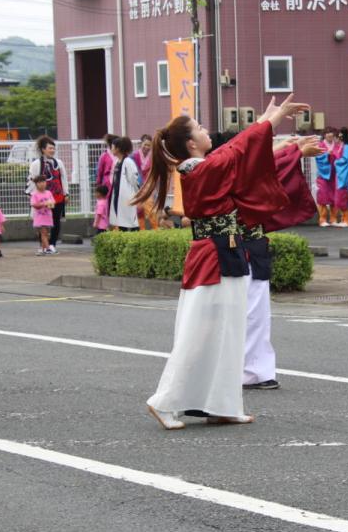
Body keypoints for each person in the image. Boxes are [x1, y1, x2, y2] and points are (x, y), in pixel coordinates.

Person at [137, 95, 308, 430]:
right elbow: (237, 152)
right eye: (200, 128)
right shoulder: (197, 168)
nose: (206, 131)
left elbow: (241, 155)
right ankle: (164, 401)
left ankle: (222, 403)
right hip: (212, 256)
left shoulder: (205, 165)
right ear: (191, 142)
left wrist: (267, 122)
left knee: (229, 331)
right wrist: (268, 123)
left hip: (225, 252)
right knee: (200, 332)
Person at [241, 134, 324, 391]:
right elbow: (255, 169)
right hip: (233, 246)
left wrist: (290, 148)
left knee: (257, 313)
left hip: (251, 243)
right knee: (244, 313)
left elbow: (259, 164)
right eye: (196, 128)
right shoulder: (214, 165)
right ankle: (243, 370)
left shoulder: (227, 161)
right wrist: (294, 152)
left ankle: (255, 370)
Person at [28, 136, 67, 252]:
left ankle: (53, 244)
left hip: (57, 197)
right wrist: (34, 196)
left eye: (53, 148)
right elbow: (31, 180)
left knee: (55, 221)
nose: (52, 150)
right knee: (41, 222)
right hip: (42, 200)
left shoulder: (59, 163)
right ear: (43, 149)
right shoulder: (36, 164)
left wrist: (66, 193)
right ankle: (43, 245)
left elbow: (63, 178)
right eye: (50, 148)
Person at [108, 136, 141, 231]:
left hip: (127, 197)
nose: (111, 149)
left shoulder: (128, 162)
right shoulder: (117, 162)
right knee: (122, 222)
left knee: (130, 222)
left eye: (112, 147)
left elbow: (134, 180)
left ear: (118, 149)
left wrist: (138, 197)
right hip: (118, 196)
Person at [314, 127, 340, 226]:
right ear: (324, 135)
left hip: (335, 174)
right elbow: (318, 158)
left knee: (334, 197)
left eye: (331, 133)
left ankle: (333, 219)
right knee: (323, 197)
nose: (330, 135)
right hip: (323, 175)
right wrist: (326, 154)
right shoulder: (320, 145)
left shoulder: (337, 145)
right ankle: (323, 220)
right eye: (328, 133)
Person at [332, 127, 348, 227]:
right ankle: (343, 219)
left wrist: (336, 162)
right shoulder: (343, 146)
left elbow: (346, 159)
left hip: (344, 173)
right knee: (341, 195)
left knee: (345, 194)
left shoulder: (346, 147)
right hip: (341, 173)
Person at [31, 176, 55, 254]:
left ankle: (43, 249)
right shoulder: (35, 194)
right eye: (40, 182)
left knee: (47, 234)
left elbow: (53, 202)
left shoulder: (48, 193)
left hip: (48, 217)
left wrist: (51, 203)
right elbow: (34, 205)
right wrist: (44, 203)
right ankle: (48, 249)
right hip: (40, 218)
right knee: (44, 233)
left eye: (44, 182)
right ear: (36, 184)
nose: (42, 184)